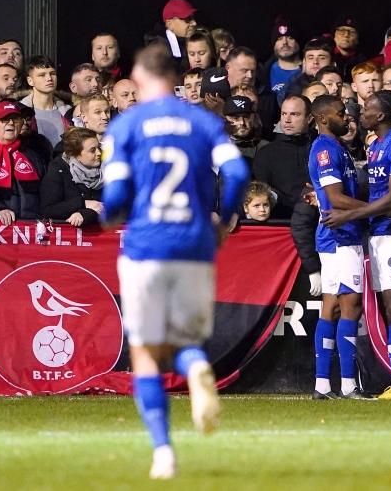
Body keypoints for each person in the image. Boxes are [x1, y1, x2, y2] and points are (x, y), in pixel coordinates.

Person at [100, 43, 249, 479]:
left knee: (146, 352)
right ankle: (199, 367)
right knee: (185, 342)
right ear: (177, 77)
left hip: (146, 245)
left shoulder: (127, 124)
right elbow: (237, 172)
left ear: (140, 78)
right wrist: (224, 220)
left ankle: (164, 452)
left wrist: (110, 216)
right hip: (195, 242)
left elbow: (115, 197)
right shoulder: (203, 121)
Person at [322, 90, 391, 400]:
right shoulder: (377, 145)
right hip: (380, 233)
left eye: (367, 109)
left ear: (380, 116)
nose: (360, 113)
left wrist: (352, 213)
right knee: (387, 309)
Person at [307, 94, 371, 400]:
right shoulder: (325, 149)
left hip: (335, 234)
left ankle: (322, 385)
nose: (346, 117)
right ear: (322, 118)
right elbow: (335, 197)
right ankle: (348, 385)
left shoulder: (336, 148)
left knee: (331, 307)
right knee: (351, 305)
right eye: (340, 113)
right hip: (341, 235)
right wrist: (377, 208)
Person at [0, 100, 48, 225]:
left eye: (16, 119)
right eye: (4, 119)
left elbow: (46, 191)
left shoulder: (33, 155)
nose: (11, 123)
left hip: (31, 228)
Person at [252, 94, 312, 217]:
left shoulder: (320, 148)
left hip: (321, 221)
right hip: (281, 223)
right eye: (284, 114)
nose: (287, 120)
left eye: (294, 114)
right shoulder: (266, 153)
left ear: (309, 118)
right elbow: (260, 194)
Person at [40, 127, 104, 226]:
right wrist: (83, 203)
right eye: (92, 150)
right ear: (76, 155)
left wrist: (85, 214)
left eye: (98, 147)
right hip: (68, 237)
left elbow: (109, 206)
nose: (99, 153)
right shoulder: (59, 169)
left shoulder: (107, 168)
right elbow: (48, 209)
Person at [20, 56, 71, 146]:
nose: (49, 78)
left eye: (52, 73)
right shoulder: (20, 112)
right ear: (30, 81)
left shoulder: (68, 112)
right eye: (42, 75)